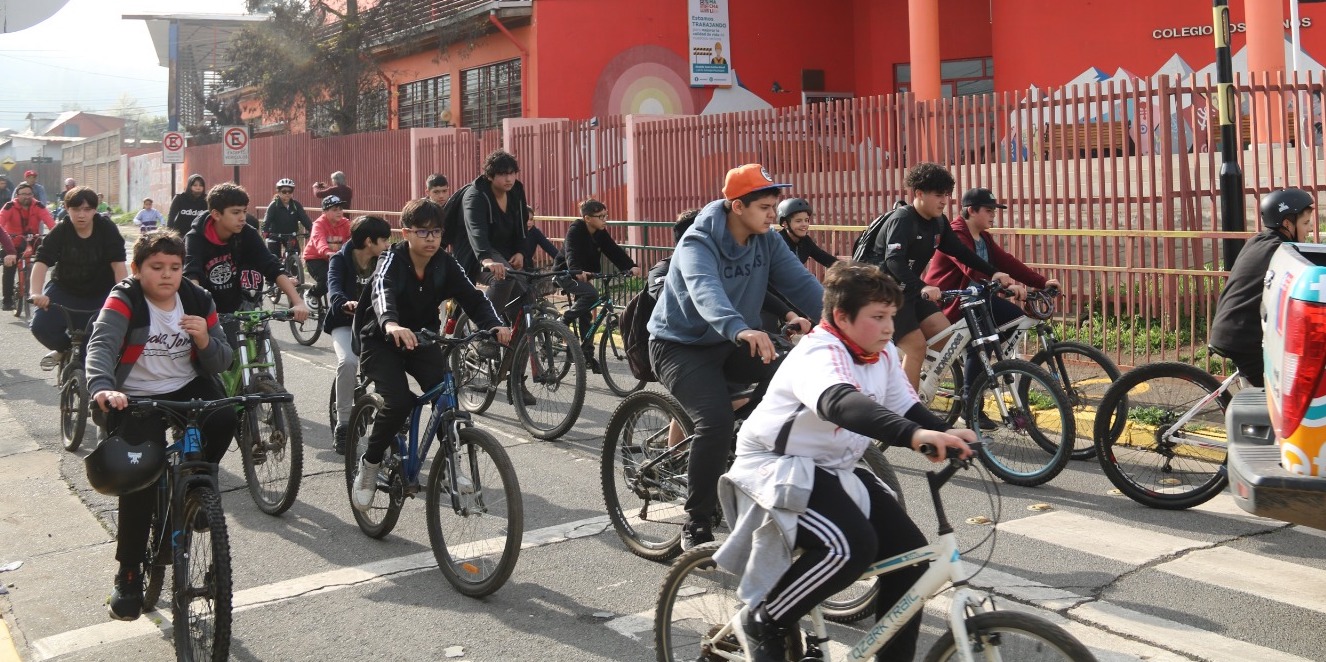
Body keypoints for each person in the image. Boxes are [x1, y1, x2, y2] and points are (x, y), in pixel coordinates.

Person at [714, 261, 974, 662]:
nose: (890, 327)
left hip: (831, 469)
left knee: (911, 559)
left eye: (891, 316)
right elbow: (840, 403)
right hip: (776, 467)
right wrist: (913, 436)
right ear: (841, 316)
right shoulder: (819, 353)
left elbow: (903, 405)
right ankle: (764, 618)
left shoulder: (880, 353)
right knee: (849, 546)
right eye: (878, 317)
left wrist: (943, 432)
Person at [648, 163, 824, 551]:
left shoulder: (767, 240)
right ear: (737, 206)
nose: (772, 214)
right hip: (681, 345)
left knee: (790, 385)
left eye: (774, 204)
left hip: (731, 341)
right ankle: (695, 520)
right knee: (715, 421)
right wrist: (739, 327)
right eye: (764, 206)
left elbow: (801, 282)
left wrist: (844, 323)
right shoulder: (698, 241)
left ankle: (747, 464)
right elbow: (704, 289)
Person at [84, 229, 234, 622]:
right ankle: (129, 572)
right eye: (156, 267)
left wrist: (205, 341)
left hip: (187, 386)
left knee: (224, 414)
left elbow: (223, 360)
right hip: (133, 396)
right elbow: (101, 345)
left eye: (175, 267)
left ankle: (197, 487)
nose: (167, 275)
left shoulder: (198, 299)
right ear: (137, 269)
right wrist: (102, 387)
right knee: (139, 478)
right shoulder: (125, 298)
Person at [349, 198, 512, 512]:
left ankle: (454, 469)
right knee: (398, 402)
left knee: (445, 395)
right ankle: (369, 467)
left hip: (422, 339)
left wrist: (494, 326)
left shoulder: (445, 263)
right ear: (406, 232)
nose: (431, 238)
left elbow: (473, 298)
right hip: (382, 339)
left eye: (437, 231)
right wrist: (392, 323)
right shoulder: (391, 260)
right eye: (423, 232)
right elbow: (382, 291)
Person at [860, 162, 1013, 390]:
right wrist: (923, 286)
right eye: (938, 195)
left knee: (945, 338)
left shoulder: (939, 222)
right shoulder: (902, 220)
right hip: (884, 293)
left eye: (947, 195)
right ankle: (907, 409)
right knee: (916, 346)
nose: (944, 201)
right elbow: (893, 262)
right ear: (919, 193)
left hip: (910, 291)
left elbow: (961, 252)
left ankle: (916, 382)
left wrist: (994, 272)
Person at [923, 188, 1058, 426]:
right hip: (954, 304)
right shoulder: (956, 234)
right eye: (988, 210)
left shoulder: (983, 237)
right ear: (971, 210)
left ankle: (980, 364)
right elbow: (970, 267)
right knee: (982, 343)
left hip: (977, 302)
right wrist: (998, 278)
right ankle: (970, 402)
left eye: (994, 210)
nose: (993, 215)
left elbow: (1006, 261)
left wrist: (1041, 282)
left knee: (1015, 318)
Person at [1209, 188, 1316, 387]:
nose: (1309, 229)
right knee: (1284, 393)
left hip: (1235, 328)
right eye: (1305, 223)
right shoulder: (1282, 251)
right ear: (1287, 223)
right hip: (1243, 336)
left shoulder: (1260, 241)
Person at [28, 186, 128, 366]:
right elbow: (42, 261)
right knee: (41, 327)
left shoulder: (106, 229)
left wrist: (123, 294)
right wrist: (36, 293)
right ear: (67, 209)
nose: (81, 214)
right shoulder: (61, 230)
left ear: (95, 210)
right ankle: (65, 350)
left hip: (100, 292)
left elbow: (118, 264)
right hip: (64, 289)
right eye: (75, 209)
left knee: (95, 345)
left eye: (87, 209)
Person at [184, 183, 308, 324]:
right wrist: (197, 309)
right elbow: (191, 274)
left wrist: (298, 302)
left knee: (261, 334)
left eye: (244, 211)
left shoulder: (247, 232)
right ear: (216, 214)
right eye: (236, 212)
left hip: (239, 303)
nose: (243, 217)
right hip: (208, 308)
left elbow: (271, 265)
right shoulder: (196, 237)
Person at [326, 215, 392, 454]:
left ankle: (395, 415)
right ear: (368, 241)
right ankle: (343, 425)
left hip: (376, 325)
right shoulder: (339, 261)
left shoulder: (385, 260)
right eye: (384, 239)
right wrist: (343, 303)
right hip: (345, 323)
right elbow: (333, 289)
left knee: (397, 360)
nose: (388, 244)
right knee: (348, 362)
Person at [558, 198, 639, 371]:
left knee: (587, 316)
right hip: (566, 273)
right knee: (592, 295)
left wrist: (630, 266)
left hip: (585, 275)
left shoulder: (600, 232)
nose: (604, 220)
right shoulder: (576, 229)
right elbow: (570, 252)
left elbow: (613, 250)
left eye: (605, 216)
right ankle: (563, 320)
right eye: (600, 216)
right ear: (587, 218)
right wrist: (575, 270)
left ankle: (587, 356)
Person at [453, 150, 530, 325]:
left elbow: (521, 224)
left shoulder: (516, 190)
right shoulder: (475, 195)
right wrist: (485, 259)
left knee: (525, 295)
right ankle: (484, 328)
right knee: (506, 277)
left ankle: (520, 347)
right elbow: (476, 230)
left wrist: (521, 251)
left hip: (504, 252)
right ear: (490, 176)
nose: (509, 179)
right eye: (503, 174)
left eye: (512, 173)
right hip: (475, 252)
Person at [1, 182, 56, 311]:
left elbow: (50, 222)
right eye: (23, 194)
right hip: (13, 243)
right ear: (17, 195)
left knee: (43, 262)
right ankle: (7, 300)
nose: (27, 197)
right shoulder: (9, 206)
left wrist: (55, 235)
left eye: (29, 194)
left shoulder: (38, 205)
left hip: (34, 242)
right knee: (9, 268)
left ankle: (38, 291)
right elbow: (1, 222)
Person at [302, 195, 350, 300]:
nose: (339, 212)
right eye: (334, 209)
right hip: (315, 258)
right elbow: (318, 239)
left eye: (341, 209)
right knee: (326, 279)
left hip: (336, 258)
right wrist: (326, 251)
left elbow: (353, 239)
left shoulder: (346, 223)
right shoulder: (319, 224)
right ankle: (311, 294)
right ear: (324, 212)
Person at [777, 197, 837, 269]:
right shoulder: (778, 243)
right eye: (798, 221)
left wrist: (848, 267)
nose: (804, 224)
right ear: (785, 223)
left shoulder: (805, 241)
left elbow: (824, 258)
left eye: (806, 220)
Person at [262, 178, 312, 258]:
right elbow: (267, 220)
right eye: (284, 191)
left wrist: (311, 229)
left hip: (290, 235)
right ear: (278, 192)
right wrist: (265, 231)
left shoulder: (296, 205)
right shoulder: (274, 205)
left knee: (295, 252)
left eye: (290, 191)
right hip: (275, 235)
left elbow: (304, 218)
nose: (287, 194)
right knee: (274, 258)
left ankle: (291, 265)